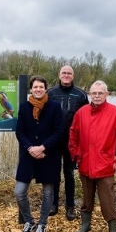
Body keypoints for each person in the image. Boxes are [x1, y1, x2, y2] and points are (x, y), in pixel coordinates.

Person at [69, 80, 116, 232]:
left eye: (100, 93)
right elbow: (73, 135)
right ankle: (85, 224)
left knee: (107, 199)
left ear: (107, 94)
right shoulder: (81, 113)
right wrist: (76, 154)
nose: (97, 96)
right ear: (90, 94)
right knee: (87, 197)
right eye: (94, 93)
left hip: (105, 164)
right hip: (85, 162)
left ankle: (112, 230)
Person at [15, 75, 64, 232]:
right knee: (19, 192)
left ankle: (42, 224)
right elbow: (20, 132)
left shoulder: (55, 107)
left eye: (41, 87)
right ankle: (29, 221)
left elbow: (59, 132)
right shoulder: (24, 107)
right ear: (31, 89)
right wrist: (30, 148)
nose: (38, 89)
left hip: (48, 156)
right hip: (28, 156)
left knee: (48, 192)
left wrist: (43, 148)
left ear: (45, 88)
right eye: (35, 87)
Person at [47, 65, 89, 221]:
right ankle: (54, 203)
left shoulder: (81, 95)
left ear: (73, 75)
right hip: (54, 141)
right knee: (54, 173)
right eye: (64, 73)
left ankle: (70, 206)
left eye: (69, 73)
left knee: (70, 174)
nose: (66, 75)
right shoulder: (50, 93)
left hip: (72, 142)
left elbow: (87, 119)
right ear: (59, 75)